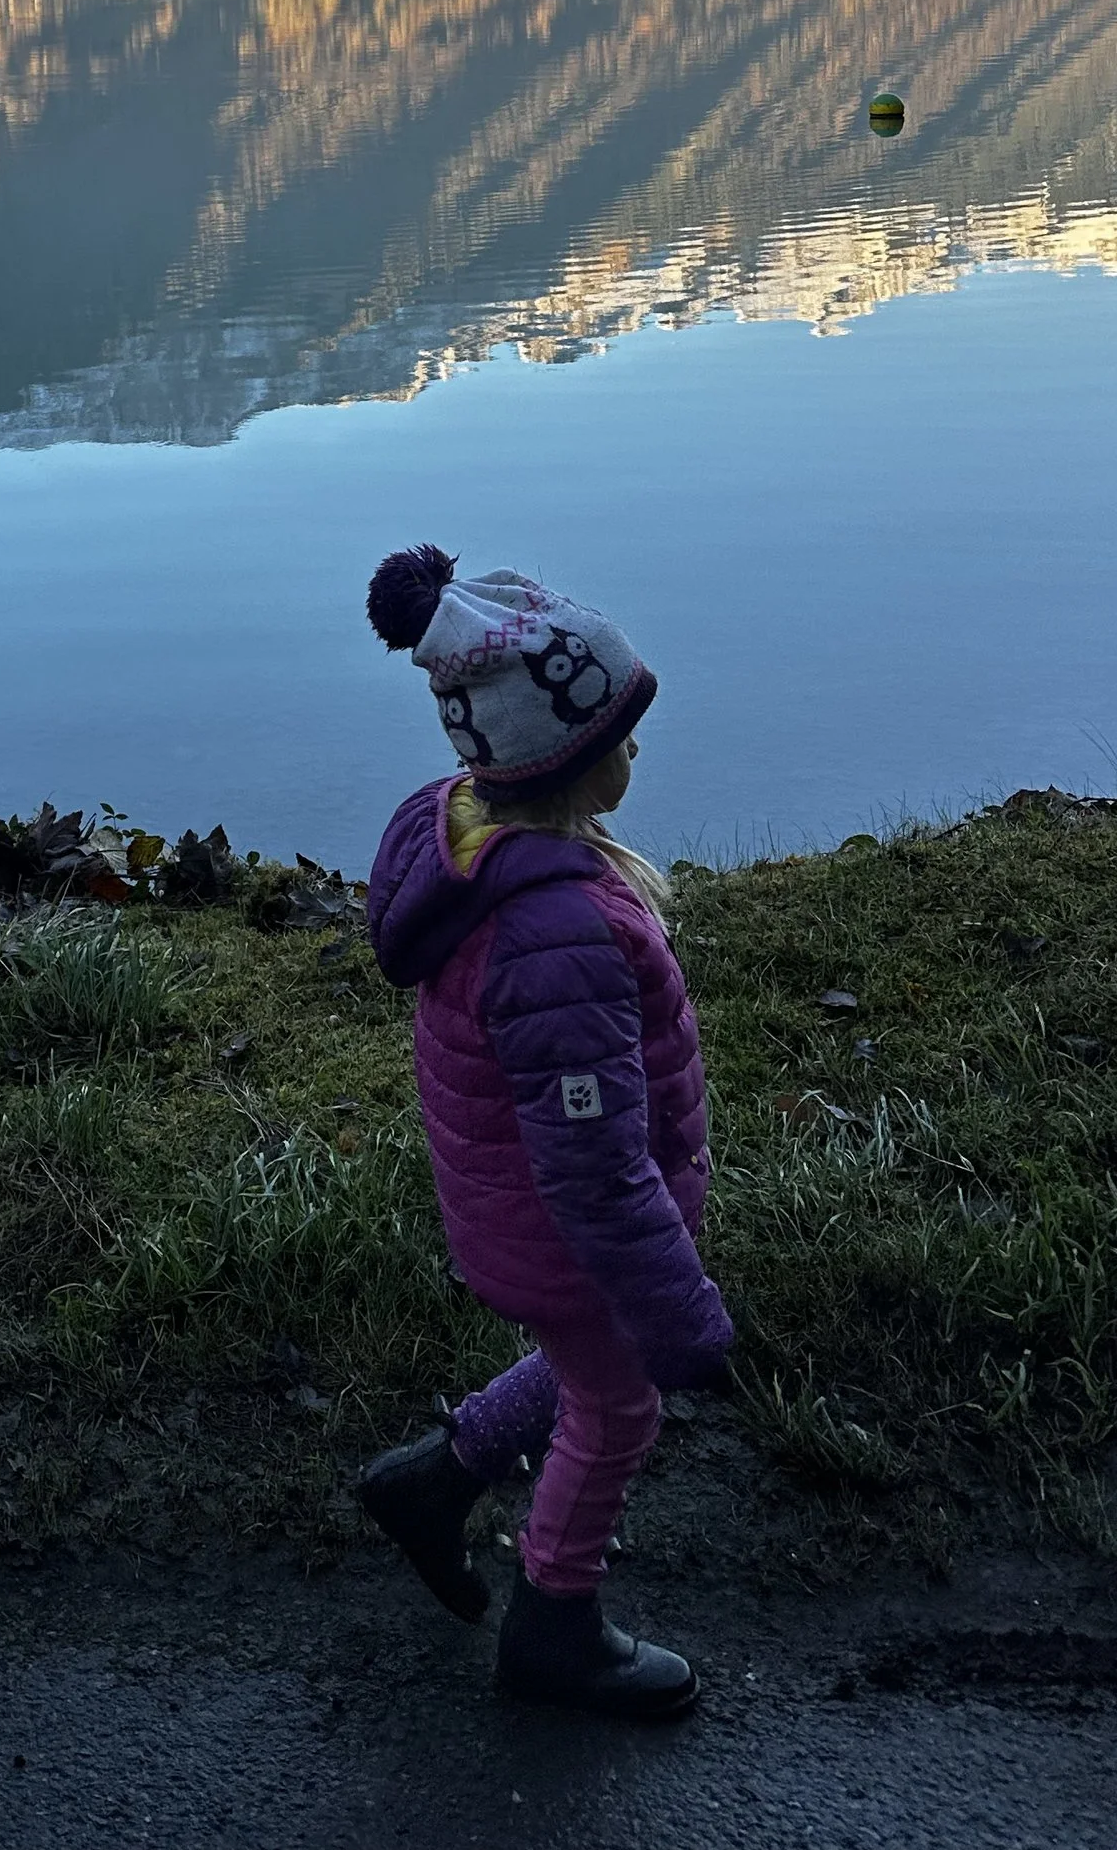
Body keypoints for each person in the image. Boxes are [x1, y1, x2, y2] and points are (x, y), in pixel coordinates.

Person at [355, 551, 729, 1720]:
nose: (635, 749)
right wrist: (682, 1309)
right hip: (568, 1228)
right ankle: (553, 1625)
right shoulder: (553, 936)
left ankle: (433, 1480)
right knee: (619, 1406)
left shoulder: (481, 851)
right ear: (565, 756)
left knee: (581, 1367)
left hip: (524, 1212)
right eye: (621, 730)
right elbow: (594, 1165)